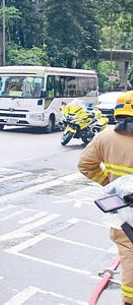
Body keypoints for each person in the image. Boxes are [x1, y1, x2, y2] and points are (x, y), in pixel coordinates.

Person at [78, 90, 133, 305]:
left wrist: (110, 184)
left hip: (121, 211)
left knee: (129, 253)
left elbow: (85, 165)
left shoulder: (105, 137)